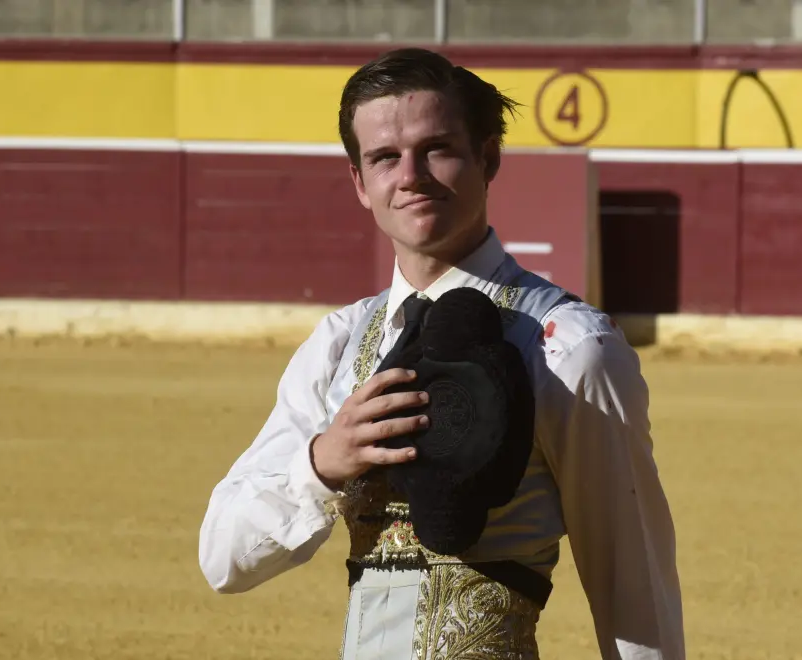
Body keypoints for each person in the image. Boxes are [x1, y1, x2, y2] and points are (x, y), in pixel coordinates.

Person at [198, 47, 685, 660]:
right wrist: (322, 463)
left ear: (488, 158)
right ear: (360, 184)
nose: (410, 176)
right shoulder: (340, 344)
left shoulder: (568, 347)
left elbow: (632, 578)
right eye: (383, 159)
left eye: (437, 149)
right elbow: (223, 559)